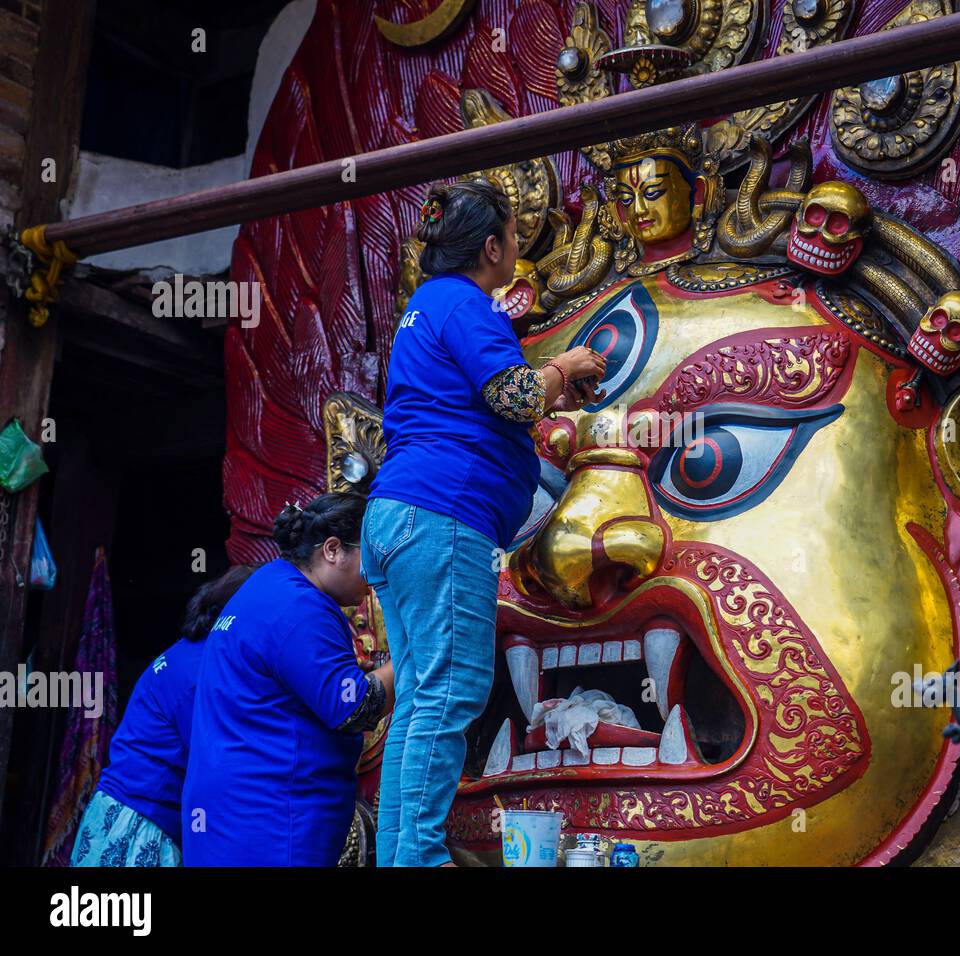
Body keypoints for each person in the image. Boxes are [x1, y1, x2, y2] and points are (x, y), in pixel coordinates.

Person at [363, 178, 605, 866]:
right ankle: (416, 859)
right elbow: (515, 393)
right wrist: (563, 366)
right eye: (511, 237)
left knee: (418, 700)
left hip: (402, 516)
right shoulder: (465, 304)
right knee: (450, 692)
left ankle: (403, 857)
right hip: (442, 516)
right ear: (493, 246)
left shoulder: (425, 306)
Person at [182, 493, 394, 866]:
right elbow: (355, 708)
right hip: (270, 820)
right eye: (371, 555)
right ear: (332, 549)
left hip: (233, 813)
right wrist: (418, 655)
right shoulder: (301, 607)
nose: (375, 576)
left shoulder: (267, 584)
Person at [71, 564, 256, 867]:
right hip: (139, 826)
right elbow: (219, 763)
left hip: (126, 813)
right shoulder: (204, 671)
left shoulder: (192, 653)